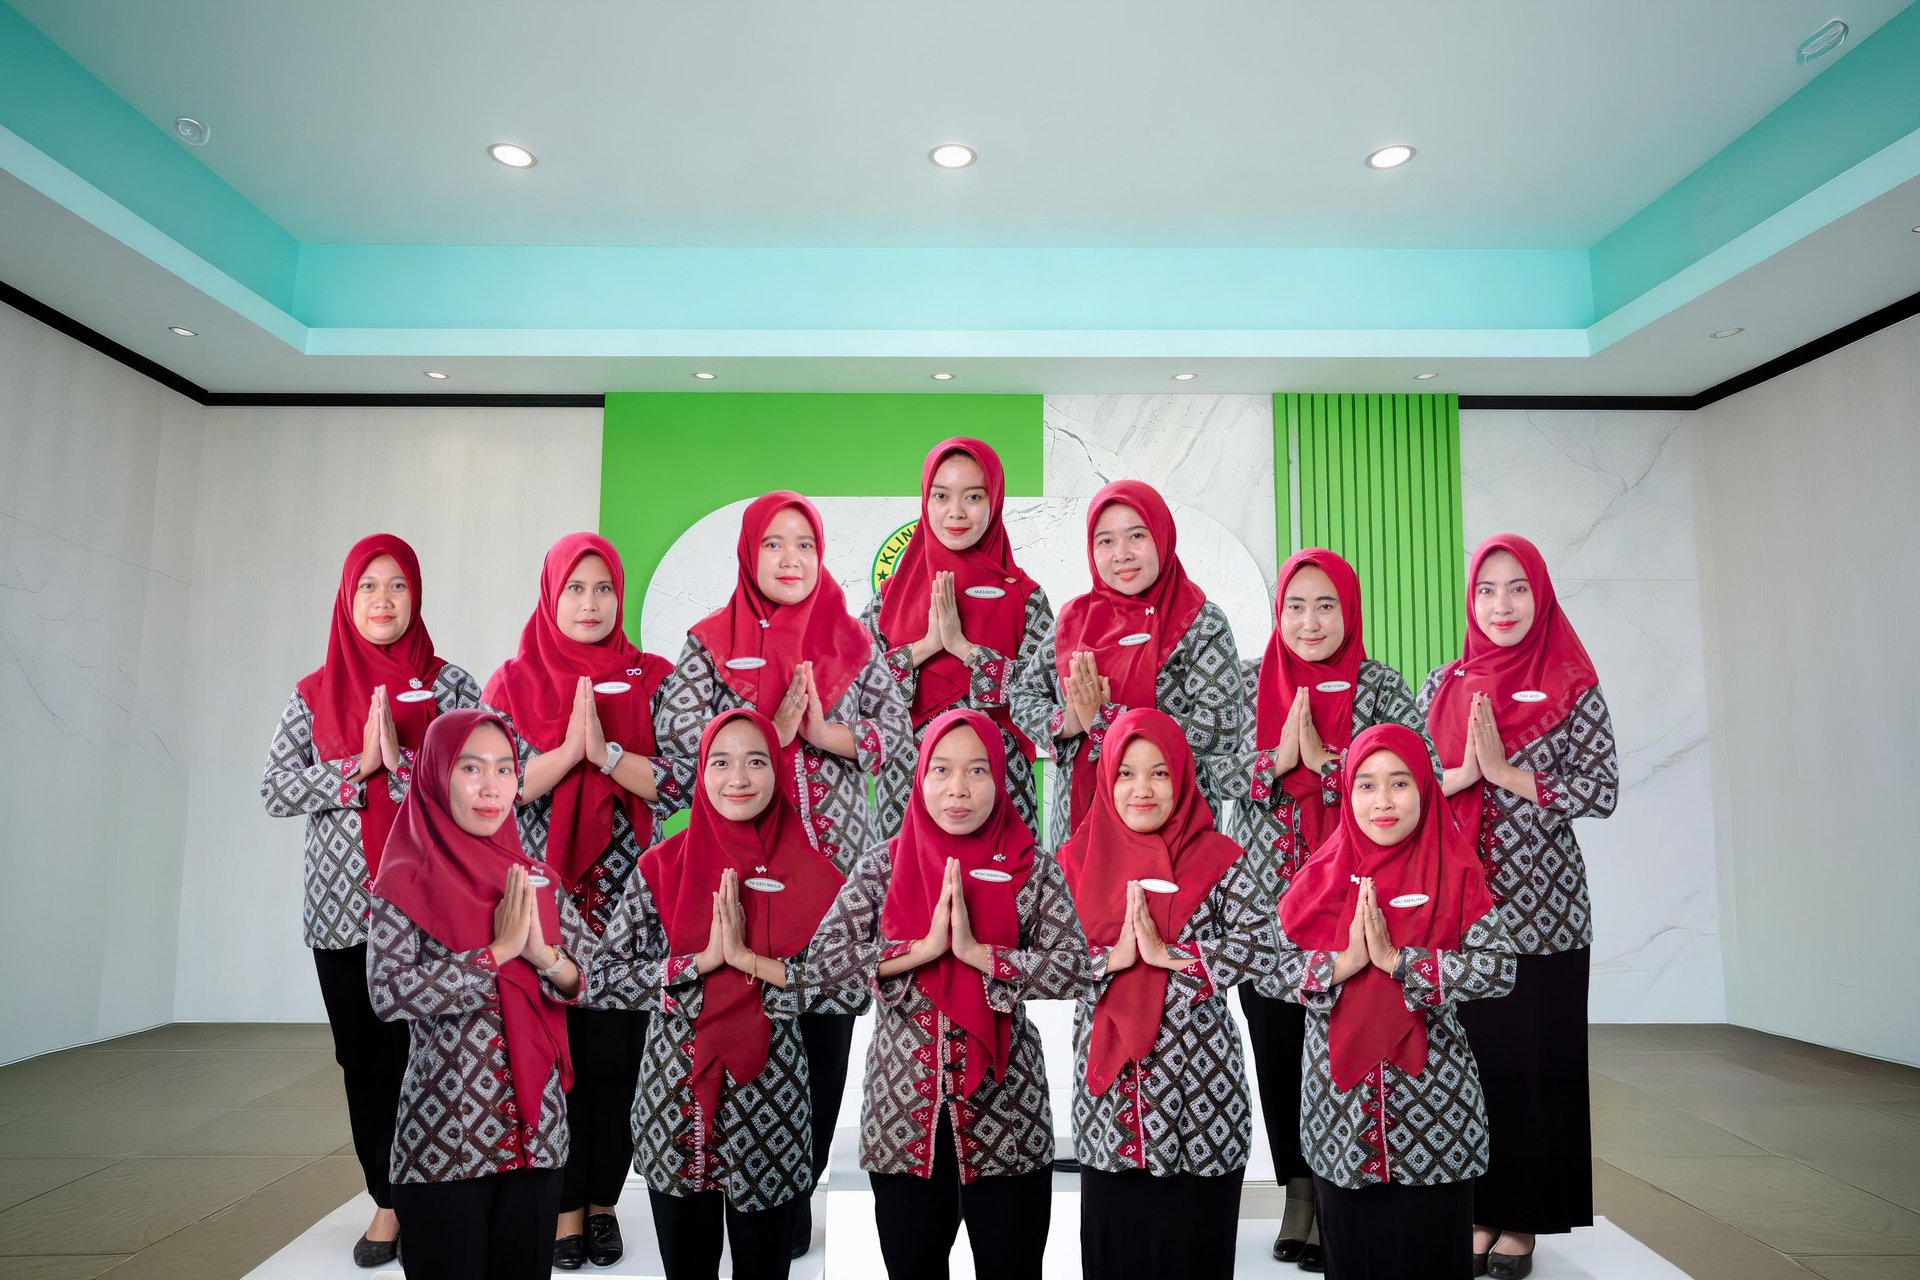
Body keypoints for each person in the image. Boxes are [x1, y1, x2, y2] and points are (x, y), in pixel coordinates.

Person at [657, 491, 906, 1253]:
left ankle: (791, 1189)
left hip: (828, 873)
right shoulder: (708, 642)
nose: (791, 559)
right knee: (742, 1014)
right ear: (749, 555)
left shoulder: (854, 642)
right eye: (774, 544)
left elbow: (896, 736)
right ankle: (726, 1178)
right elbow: (678, 737)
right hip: (733, 868)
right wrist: (763, 735)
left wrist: (821, 732)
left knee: (825, 1027)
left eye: (804, 544)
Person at [801, 709, 1087, 1280]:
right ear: (919, 778)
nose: (958, 789)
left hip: (1008, 1119)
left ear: (1001, 779)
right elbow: (820, 963)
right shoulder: (883, 864)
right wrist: (920, 951)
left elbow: (1076, 968)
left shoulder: (1029, 867)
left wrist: (984, 956)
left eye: (977, 770)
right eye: (942, 770)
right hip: (904, 1118)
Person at [260, 533, 480, 1266]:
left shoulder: (450, 686)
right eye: (368, 587)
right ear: (347, 599)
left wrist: (408, 764)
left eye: (397, 586)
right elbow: (274, 789)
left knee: (436, 1058)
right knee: (365, 1060)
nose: (383, 601)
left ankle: (441, 1192)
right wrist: (356, 770)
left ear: (417, 597)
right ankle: (388, 1201)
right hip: (343, 915)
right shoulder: (313, 692)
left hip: (433, 914)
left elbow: (484, 782)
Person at [584, 708, 858, 1280]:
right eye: (721, 762)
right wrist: (697, 965)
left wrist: (755, 966)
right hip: (673, 1107)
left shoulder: (817, 874)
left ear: (778, 771)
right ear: (702, 773)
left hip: (773, 1112)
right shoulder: (661, 866)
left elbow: (851, 990)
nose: (739, 778)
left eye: (756, 761)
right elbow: (601, 977)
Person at [1219, 547, 1435, 1267]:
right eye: (1295, 606)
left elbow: (1417, 769)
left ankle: (1350, 1190)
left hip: (1360, 904)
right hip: (1270, 906)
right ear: (1277, 613)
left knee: (1346, 1045)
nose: (1309, 622)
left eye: (1326, 606)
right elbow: (1205, 765)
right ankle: (1299, 1193)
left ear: (1350, 610)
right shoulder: (1249, 682)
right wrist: (1279, 760)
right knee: (1279, 1047)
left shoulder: (1380, 685)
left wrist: (1332, 768)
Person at [481, 532, 685, 1269]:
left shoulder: (655, 677)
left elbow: (684, 784)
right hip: (544, 904)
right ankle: (564, 1209)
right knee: (554, 1062)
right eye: (576, 588)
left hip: (635, 904)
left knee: (620, 1064)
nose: (591, 604)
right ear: (551, 593)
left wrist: (605, 755)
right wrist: (568, 753)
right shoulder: (511, 681)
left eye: (603, 589)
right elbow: (491, 788)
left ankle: (603, 1203)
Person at [1420, 534, 1618, 1279]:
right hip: (1460, 913)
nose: (1501, 606)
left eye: (1517, 589)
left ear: (1540, 596)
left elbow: (1600, 790)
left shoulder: (1571, 682)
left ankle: (1526, 1220)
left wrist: (1505, 774)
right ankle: (1477, 1207)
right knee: (1474, 1065)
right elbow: (1406, 788)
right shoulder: (1441, 682)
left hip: (1546, 915)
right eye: (1486, 590)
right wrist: (1462, 775)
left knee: (1538, 1067)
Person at [1258, 724, 1516, 1280]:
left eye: (1399, 783)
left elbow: (1500, 969)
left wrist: (1405, 963)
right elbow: (1266, 972)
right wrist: (1339, 965)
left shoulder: (1458, 872)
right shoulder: (1318, 878)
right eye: (1366, 785)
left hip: (1436, 1114)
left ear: (1425, 788)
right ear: (1347, 794)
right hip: (1340, 1119)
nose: (1382, 801)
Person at [367, 710, 591, 1279]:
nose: (491, 787)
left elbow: (590, 980)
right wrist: (494, 955)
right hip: (446, 1137)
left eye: (504, 769)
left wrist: (544, 957)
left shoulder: (535, 877)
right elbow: (387, 992)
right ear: (437, 776)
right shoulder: (403, 879)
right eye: (471, 768)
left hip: (536, 1136)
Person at [1058, 709, 1276, 1280]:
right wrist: (1113, 960)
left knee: (1193, 1251)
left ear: (1182, 778)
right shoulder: (1075, 862)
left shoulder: (1221, 858)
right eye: (1126, 773)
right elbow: (1046, 965)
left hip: (1201, 1094)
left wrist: (1175, 960)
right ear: (1106, 778)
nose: (1142, 789)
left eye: (1159, 772)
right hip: (1113, 1107)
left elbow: (1268, 950)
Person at [1009, 479, 1242, 848]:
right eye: (1105, 541)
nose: (1122, 554)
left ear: (1162, 537)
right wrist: (1069, 721)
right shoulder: (1073, 620)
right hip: (1081, 824)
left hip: (1176, 829)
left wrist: (1107, 721)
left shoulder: (1200, 621)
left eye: (1136, 536)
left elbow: (1221, 729)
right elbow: (1022, 696)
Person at [863, 437, 1051, 838]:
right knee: (908, 889)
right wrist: (927, 646)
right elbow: (858, 692)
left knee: (1002, 892)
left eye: (973, 496)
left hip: (998, 778)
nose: (956, 512)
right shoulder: (889, 596)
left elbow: (1045, 697)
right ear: (925, 500)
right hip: (907, 776)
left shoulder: (1025, 597)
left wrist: (965, 650)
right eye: (941, 496)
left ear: (995, 501)